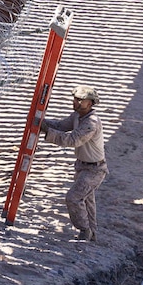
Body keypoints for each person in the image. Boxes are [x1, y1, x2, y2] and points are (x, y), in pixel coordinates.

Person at [41, 85, 107, 241]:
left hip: (94, 170)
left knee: (74, 198)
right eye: (75, 99)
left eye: (80, 100)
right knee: (87, 200)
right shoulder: (77, 116)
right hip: (83, 166)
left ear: (90, 104)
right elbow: (60, 126)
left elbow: (73, 140)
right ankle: (91, 235)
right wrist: (43, 123)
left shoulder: (91, 122)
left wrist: (46, 130)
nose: (76, 102)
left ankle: (84, 230)